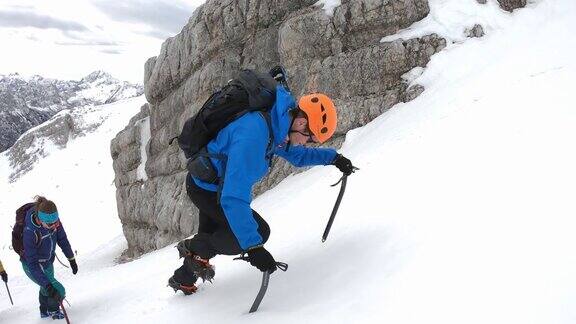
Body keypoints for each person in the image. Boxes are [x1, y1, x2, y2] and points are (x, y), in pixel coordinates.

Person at [168, 81, 356, 295]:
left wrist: (333, 158)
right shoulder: (254, 135)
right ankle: (192, 248)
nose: (306, 143)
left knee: (213, 237)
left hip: (212, 184)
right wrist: (254, 247)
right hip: (208, 190)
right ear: (302, 122)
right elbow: (233, 198)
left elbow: (297, 155)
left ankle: (182, 278)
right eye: (309, 138)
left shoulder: (278, 123)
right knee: (254, 232)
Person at [20, 196, 78, 320]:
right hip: (31, 265)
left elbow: (62, 239)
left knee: (47, 286)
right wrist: (47, 285)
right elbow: (32, 263)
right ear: (40, 220)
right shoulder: (30, 232)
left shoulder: (53, 220)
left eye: (56, 222)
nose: (55, 226)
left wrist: (71, 258)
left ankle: (44, 310)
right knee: (57, 290)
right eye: (51, 224)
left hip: (48, 261)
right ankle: (53, 311)